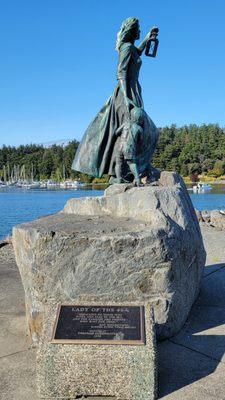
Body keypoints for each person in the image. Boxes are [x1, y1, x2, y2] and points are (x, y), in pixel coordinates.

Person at [72, 17, 159, 182]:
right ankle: (122, 173)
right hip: (126, 94)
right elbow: (121, 72)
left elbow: (137, 52)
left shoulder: (130, 48)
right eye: (139, 29)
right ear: (132, 31)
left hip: (133, 91)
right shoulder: (126, 48)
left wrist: (148, 38)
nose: (140, 31)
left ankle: (138, 168)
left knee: (142, 131)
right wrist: (127, 99)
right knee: (136, 132)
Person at [112, 107, 144, 185]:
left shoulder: (125, 124)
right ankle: (137, 179)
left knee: (118, 163)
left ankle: (119, 179)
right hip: (129, 148)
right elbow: (141, 141)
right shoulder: (139, 128)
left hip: (120, 146)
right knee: (132, 163)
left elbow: (116, 132)